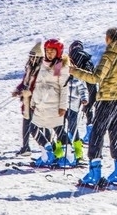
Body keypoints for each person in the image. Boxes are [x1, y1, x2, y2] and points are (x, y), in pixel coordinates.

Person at [70, 27, 117, 188]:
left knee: (97, 135)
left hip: (107, 100)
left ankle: (95, 173)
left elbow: (95, 78)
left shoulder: (109, 54)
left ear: (109, 38)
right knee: (116, 134)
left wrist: (75, 71)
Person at [29, 39, 74, 168]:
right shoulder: (44, 64)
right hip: (42, 104)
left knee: (58, 130)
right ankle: (47, 153)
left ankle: (69, 157)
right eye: (47, 51)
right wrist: (33, 101)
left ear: (58, 52)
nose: (49, 54)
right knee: (34, 128)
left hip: (54, 104)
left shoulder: (59, 65)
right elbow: (38, 85)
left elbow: (62, 88)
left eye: (52, 51)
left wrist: (62, 106)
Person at [11, 40, 43, 154]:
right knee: (26, 122)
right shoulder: (29, 68)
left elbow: (40, 86)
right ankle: (25, 146)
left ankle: (47, 147)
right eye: (30, 57)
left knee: (38, 125)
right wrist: (18, 90)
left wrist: (29, 92)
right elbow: (25, 83)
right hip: (27, 101)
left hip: (37, 102)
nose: (31, 59)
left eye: (33, 57)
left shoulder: (42, 70)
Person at [68, 41, 98, 143]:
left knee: (72, 113)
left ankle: (72, 134)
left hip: (79, 86)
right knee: (89, 109)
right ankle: (90, 133)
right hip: (91, 85)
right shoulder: (87, 58)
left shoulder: (71, 57)